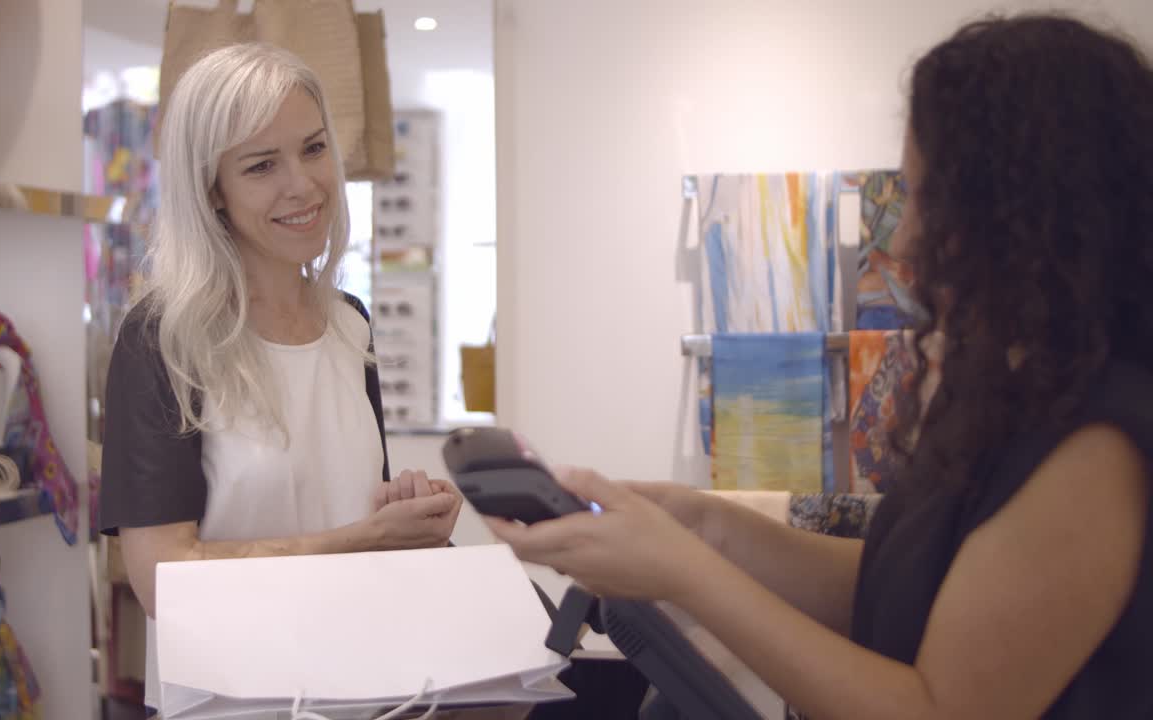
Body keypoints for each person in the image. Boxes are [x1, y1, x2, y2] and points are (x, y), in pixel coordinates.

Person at [492, 13, 1153, 720]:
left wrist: (681, 571)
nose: (903, 235)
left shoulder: (1097, 446)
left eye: (925, 199)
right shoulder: (1005, 394)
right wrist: (702, 527)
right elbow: (892, 590)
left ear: (1026, 212)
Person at [97, 43, 462, 715]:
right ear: (213, 188)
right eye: (262, 165)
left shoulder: (349, 325)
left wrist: (405, 515)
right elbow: (161, 581)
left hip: (368, 692)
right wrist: (360, 540)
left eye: (314, 149)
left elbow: (349, 510)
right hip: (230, 703)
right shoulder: (165, 341)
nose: (303, 184)